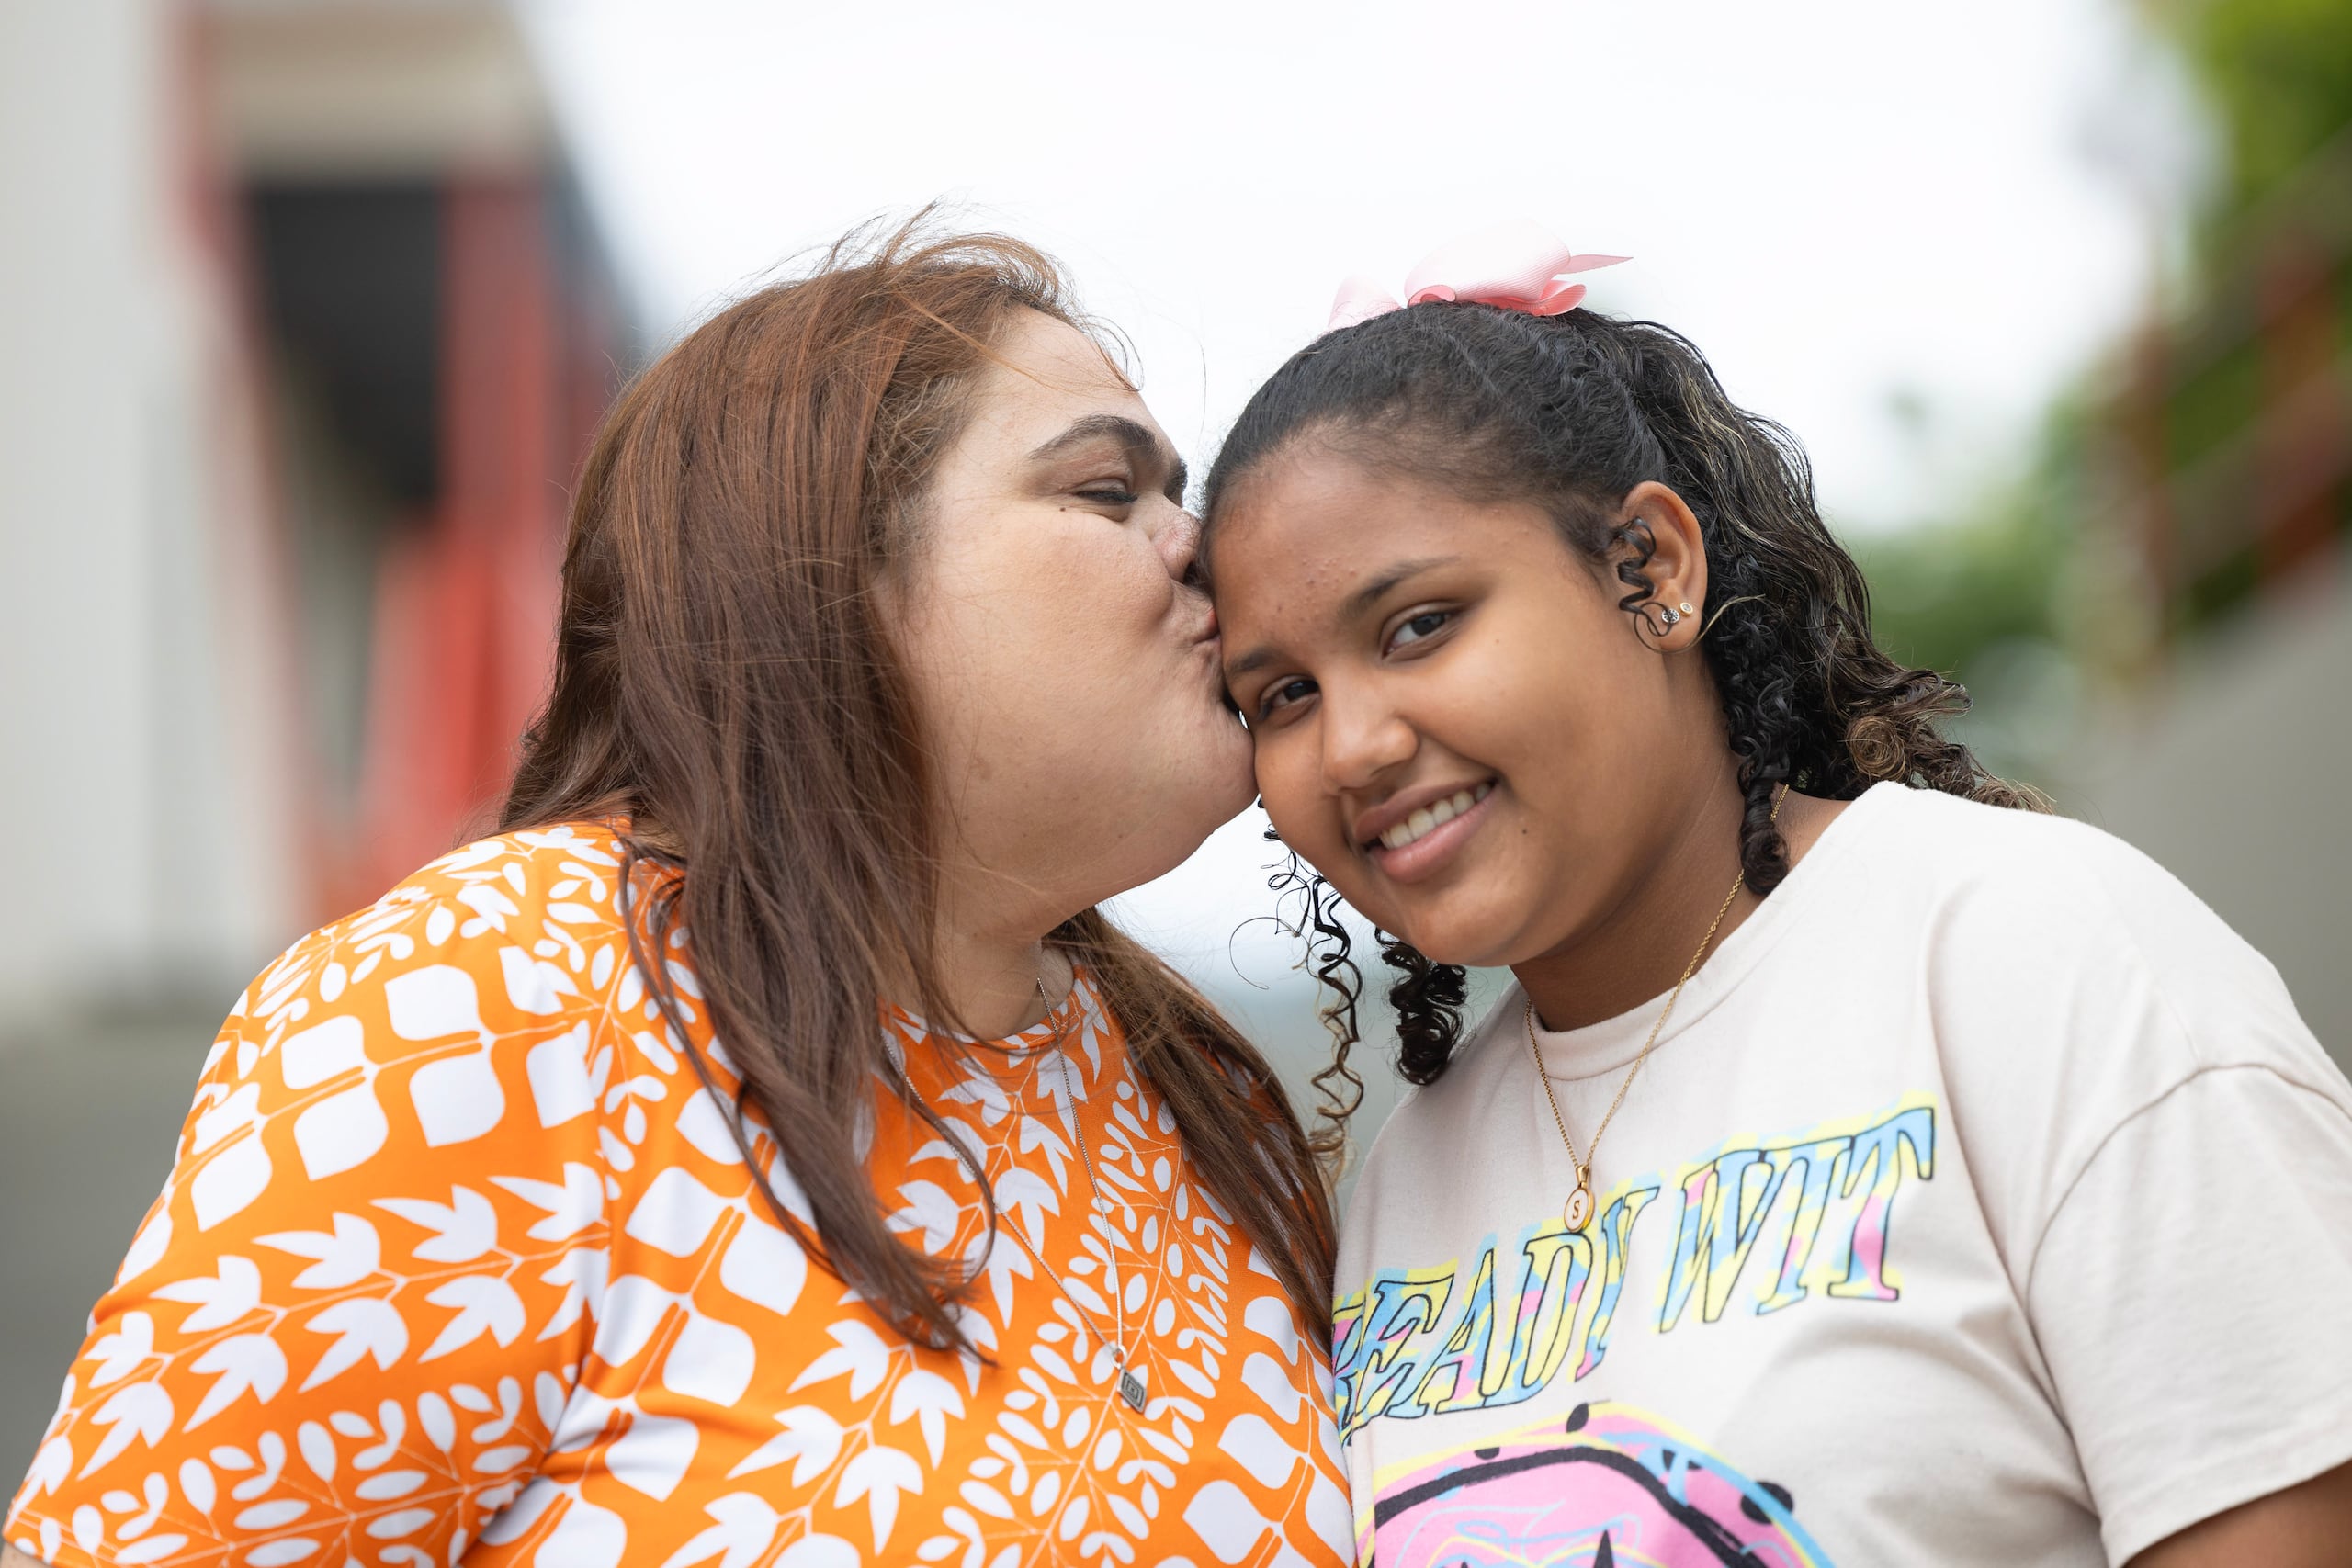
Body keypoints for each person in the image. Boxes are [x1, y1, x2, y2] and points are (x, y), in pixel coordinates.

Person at [4, 223, 1351, 1568]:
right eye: (1109, 492)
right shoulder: (493, 1002)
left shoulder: (1199, 1093)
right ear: (820, 564)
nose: (1207, 551)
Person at [1200, 222, 2352, 1567]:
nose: (1353, 747)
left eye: (1421, 625)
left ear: (1653, 570)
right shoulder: (1414, 1178)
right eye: (1282, 696)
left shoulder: (2034, 962)